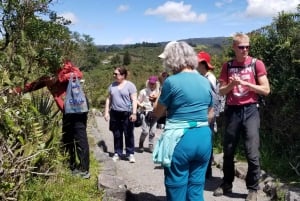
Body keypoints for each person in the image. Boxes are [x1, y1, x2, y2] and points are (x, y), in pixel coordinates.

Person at [152, 41, 214, 201]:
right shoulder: (205, 81)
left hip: (180, 140)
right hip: (203, 137)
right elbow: (210, 114)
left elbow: (158, 112)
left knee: (176, 187)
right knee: (196, 187)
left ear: (173, 58)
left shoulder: (172, 82)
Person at [213, 33, 270, 201]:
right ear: (234, 48)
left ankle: (253, 188)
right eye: (241, 47)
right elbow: (221, 91)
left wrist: (247, 84)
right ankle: (227, 183)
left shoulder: (256, 64)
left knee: (252, 151)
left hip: (251, 110)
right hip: (233, 111)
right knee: (228, 150)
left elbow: (266, 90)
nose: (245, 49)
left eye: (247, 46)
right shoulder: (228, 66)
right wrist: (232, 84)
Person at [18, 60, 90, 179]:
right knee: (67, 137)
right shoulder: (46, 76)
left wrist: (60, 77)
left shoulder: (65, 66)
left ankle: (84, 169)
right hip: (67, 109)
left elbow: (78, 74)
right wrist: (17, 91)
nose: (42, 64)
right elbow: (32, 86)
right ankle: (71, 165)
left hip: (77, 107)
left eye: (44, 62)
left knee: (79, 137)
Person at [104, 66, 137, 163]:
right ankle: (118, 153)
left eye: (116, 74)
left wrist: (134, 113)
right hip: (115, 113)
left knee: (128, 133)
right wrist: (106, 112)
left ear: (123, 75)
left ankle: (130, 153)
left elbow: (134, 99)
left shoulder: (130, 85)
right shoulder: (112, 85)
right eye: (114, 73)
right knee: (117, 134)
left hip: (127, 113)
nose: (114, 75)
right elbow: (108, 99)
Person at [197, 51, 217, 179]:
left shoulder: (209, 79)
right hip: (203, 114)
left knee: (206, 143)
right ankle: (205, 170)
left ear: (203, 64)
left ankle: (206, 170)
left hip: (207, 115)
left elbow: (212, 99)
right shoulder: (204, 77)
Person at [137, 75, 160, 153]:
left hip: (155, 113)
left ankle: (151, 145)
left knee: (153, 131)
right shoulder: (143, 91)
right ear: (148, 83)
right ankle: (141, 143)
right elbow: (137, 101)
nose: (152, 85)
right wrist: (141, 106)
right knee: (145, 131)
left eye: (153, 83)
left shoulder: (158, 92)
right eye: (150, 83)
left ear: (156, 83)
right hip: (145, 112)